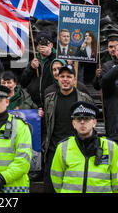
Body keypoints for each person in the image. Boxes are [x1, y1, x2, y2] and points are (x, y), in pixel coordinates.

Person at [50, 101, 118, 193]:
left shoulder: (111, 147)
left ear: (94, 122)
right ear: (73, 124)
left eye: (86, 119)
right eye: (78, 119)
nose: (82, 122)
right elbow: (56, 178)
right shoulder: (63, 147)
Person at [41, 64, 95, 192]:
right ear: (58, 79)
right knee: (50, 188)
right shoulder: (49, 98)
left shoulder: (84, 98)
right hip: (53, 151)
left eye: (69, 76)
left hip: (76, 151)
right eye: (62, 76)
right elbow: (46, 124)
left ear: (74, 80)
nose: (65, 79)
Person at [20, 32, 56, 108]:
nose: (43, 45)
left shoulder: (56, 60)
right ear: (37, 47)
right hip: (34, 104)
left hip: (51, 102)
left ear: (51, 45)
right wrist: (31, 68)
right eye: (40, 43)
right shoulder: (33, 61)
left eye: (46, 43)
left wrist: (50, 54)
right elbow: (23, 82)